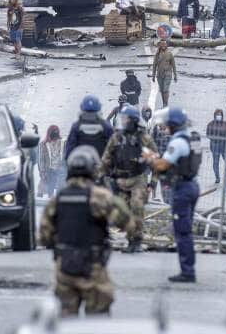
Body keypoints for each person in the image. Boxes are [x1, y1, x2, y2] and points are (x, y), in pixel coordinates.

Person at [42, 146, 138, 316]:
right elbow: (129, 225)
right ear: (93, 169)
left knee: (65, 322)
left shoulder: (58, 199)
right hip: (93, 269)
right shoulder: (100, 197)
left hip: (65, 269)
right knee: (97, 322)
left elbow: (43, 237)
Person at [143, 107, 202, 282]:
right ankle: (188, 268)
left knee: (182, 231)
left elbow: (161, 166)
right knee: (186, 229)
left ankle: (187, 272)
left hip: (182, 188)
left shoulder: (177, 142)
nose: (164, 127)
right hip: (191, 185)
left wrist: (150, 158)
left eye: (167, 124)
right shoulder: (191, 139)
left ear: (173, 125)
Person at [98, 106, 154, 253]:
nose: (122, 121)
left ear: (133, 121)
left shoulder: (144, 139)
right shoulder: (116, 138)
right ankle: (130, 235)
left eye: (125, 119)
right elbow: (106, 159)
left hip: (138, 179)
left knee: (137, 207)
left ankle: (135, 240)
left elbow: (156, 161)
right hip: (121, 181)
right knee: (121, 213)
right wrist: (99, 177)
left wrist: (152, 183)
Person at [37, 125, 66, 197]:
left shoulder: (63, 142)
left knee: (61, 190)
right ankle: (42, 202)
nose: (55, 136)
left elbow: (66, 156)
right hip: (49, 170)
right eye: (54, 132)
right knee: (44, 189)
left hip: (60, 170)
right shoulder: (43, 144)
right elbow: (41, 159)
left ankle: (59, 204)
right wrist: (42, 172)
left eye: (57, 132)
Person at [151, 40, 178, 107]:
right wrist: (153, 76)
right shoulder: (157, 54)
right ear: (160, 45)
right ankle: (164, 103)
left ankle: (166, 104)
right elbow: (154, 65)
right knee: (162, 90)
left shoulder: (169, 53)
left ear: (166, 45)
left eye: (164, 44)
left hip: (167, 74)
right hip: (159, 74)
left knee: (165, 89)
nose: (163, 46)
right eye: (162, 44)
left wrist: (175, 75)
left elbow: (173, 65)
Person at [205, 109, 226, 182]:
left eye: (220, 115)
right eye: (217, 115)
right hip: (215, 145)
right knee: (216, 162)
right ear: (215, 116)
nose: (219, 116)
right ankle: (217, 177)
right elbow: (208, 135)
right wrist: (215, 138)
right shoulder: (210, 124)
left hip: (223, 145)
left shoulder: (225, 124)